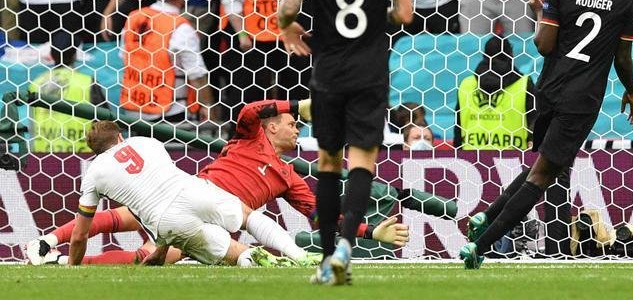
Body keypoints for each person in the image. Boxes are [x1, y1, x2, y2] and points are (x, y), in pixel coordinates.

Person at [32, 100, 411, 266]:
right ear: (272, 126)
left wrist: (370, 231)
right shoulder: (249, 136)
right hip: (195, 192)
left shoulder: (289, 175)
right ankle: (48, 241)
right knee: (123, 215)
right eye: (293, 123)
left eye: (298, 124)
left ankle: (63, 260)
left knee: (149, 254)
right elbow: (248, 111)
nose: (297, 129)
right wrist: (296, 104)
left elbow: (320, 216)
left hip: (214, 220)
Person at [460, 0, 633, 268]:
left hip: (548, 90)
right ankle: (479, 246)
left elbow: (543, 46)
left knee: (546, 165)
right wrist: (630, 91)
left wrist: (540, 12)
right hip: (581, 99)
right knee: (543, 175)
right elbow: (621, 56)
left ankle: (487, 216)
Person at [278, 0, 414, 284]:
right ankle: (344, 248)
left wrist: (287, 30)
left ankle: (325, 261)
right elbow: (405, 13)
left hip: (329, 73)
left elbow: (288, 5)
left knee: (327, 163)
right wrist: (378, 20)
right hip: (369, 71)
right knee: (362, 162)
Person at [63, 120, 301, 267]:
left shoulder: (94, 173)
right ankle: (298, 256)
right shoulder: (145, 141)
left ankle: (257, 261)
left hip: (167, 222)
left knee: (228, 252)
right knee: (247, 217)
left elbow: (80, 235)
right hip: (193, 190)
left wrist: (73, 266)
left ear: (94, 150)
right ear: (120, 137)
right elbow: (168, 190)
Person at [455, 34, 536, 150]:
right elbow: (534, 121)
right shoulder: (523, 84)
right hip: (514, 159)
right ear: (511, 55)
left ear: (484, 55)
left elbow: (458, 130)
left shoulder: (466, 84)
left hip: (471, 159)